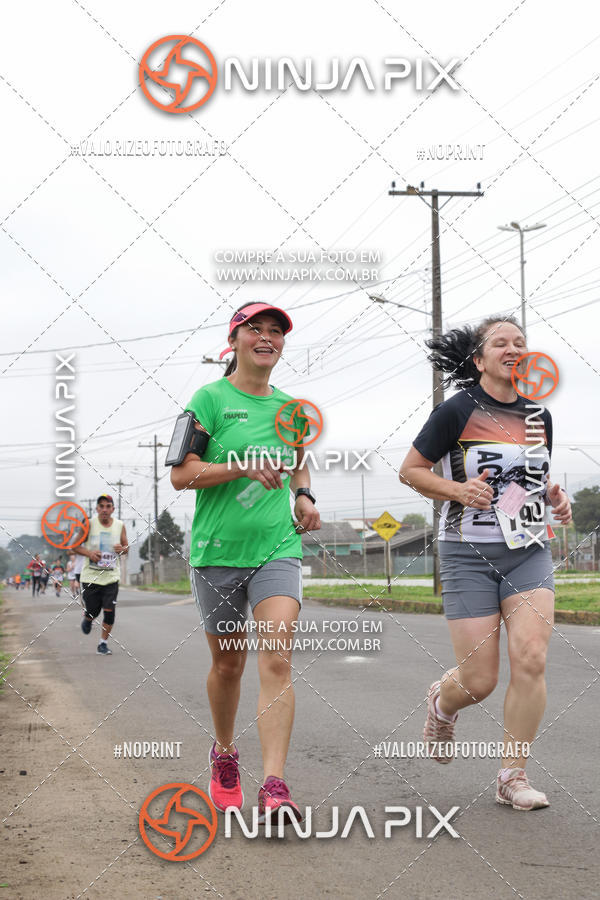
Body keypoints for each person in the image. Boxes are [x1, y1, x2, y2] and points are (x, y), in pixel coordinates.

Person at [399, 316, 571, 811]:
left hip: (528, 550)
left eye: (520, 342)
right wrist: (456, 489)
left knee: (532, 657)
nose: (512, 348)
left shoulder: (539, 414)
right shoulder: (456, 411)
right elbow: (411, 469)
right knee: (479, 680)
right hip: (467, 552)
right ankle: (442, 701)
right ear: (479, 359)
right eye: (500, 343)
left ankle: (512, 776)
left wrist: (554, 496)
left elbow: (529, 482)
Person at [170, 302, 320, 822]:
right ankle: (225, 753)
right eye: (255, 328)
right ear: (234, 341)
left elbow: (298, 462)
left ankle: (275, 784)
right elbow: (181, 476)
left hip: (277, 548)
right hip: (217, 554)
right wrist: (240, 464)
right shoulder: (207, 400)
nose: (267, 337)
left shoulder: (292, 409)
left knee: (277, 658)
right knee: (228, 664)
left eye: (276, 331)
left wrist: (305, 498)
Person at [75, 494, 128, 655]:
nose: (104, 509)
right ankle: (88, 618)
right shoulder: (89, 524)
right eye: (101, 506)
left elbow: (126, 547)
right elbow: (74, 546)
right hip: (90, 577)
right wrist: (90, 553)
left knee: (109, 611)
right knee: (93, 609)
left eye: (108, 506)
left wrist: (123, 549)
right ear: (97, 508)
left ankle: (103, 643)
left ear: (113, 509)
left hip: (111, 577)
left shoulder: (120, 525)